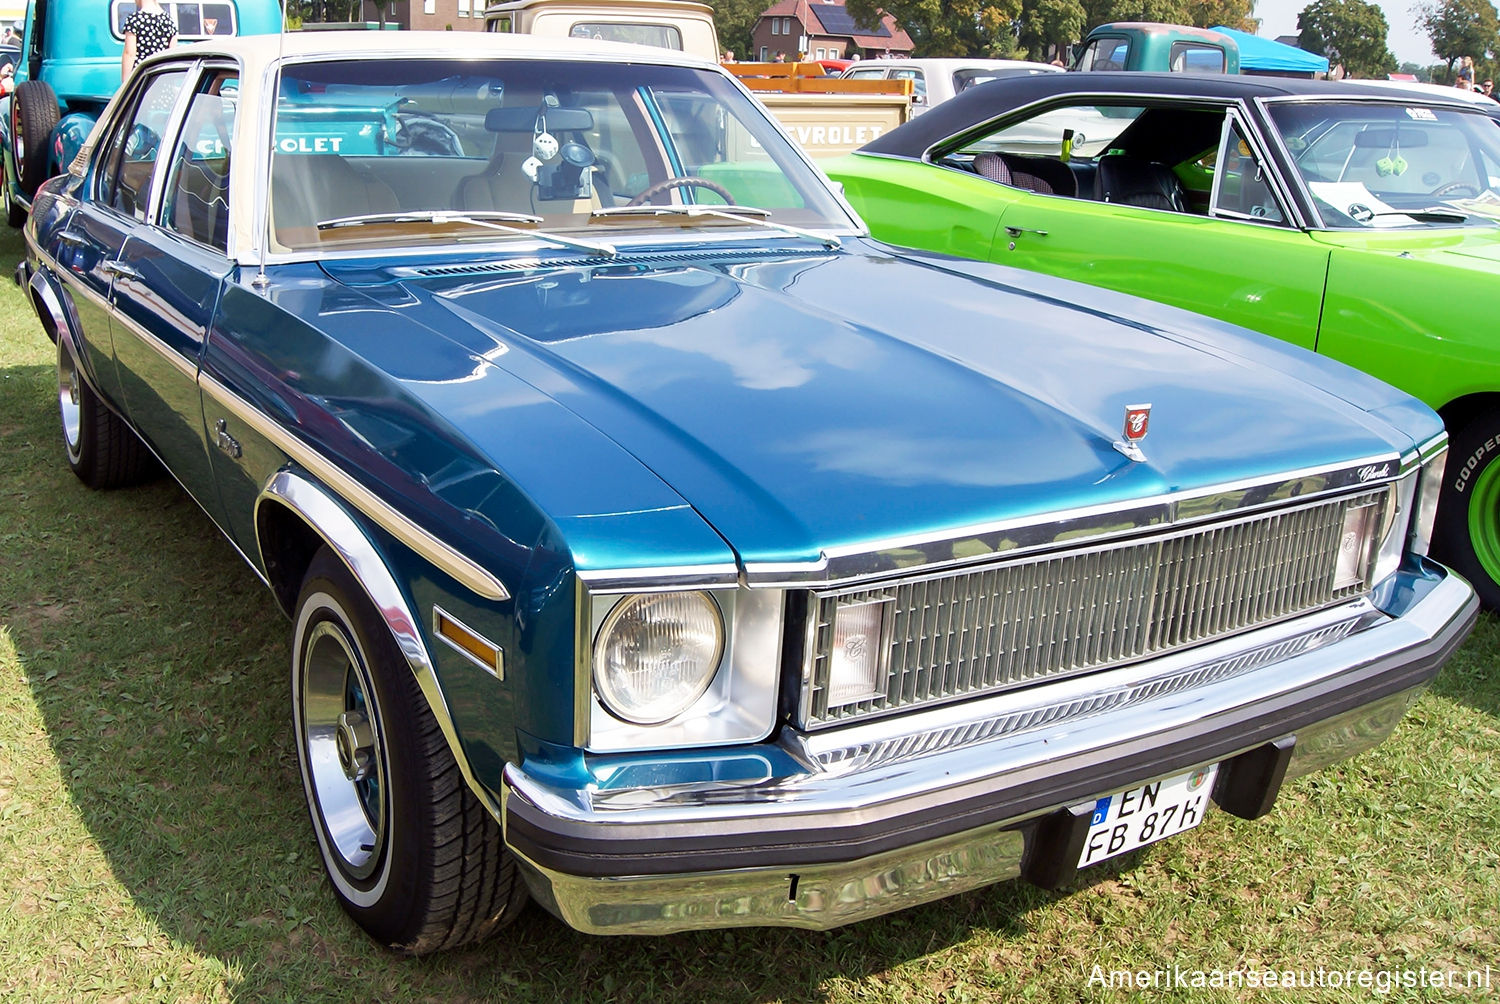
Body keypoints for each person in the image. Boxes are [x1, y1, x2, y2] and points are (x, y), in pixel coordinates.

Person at [121, 0, 176, 81]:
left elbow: (129, 54)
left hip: (141, 78)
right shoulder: (169, 21)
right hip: (162, 77)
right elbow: (172, 53)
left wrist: (125, 83)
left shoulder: (134, 20)